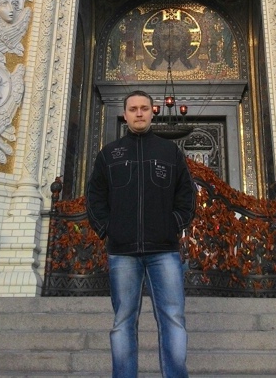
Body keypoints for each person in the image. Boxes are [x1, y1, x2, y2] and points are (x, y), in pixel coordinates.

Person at [86, 90, 196, 378]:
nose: (138, 113)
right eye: (133, 108)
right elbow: (95, 197)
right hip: (122, 252)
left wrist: (173, 223)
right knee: (123, 321)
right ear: (125, 114)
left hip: (164, 251)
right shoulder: (109, 154)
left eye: (144, 108)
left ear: (152, 112)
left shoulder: (169, 152)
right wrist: (109, 229)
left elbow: (187, 195)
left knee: (173, 319)